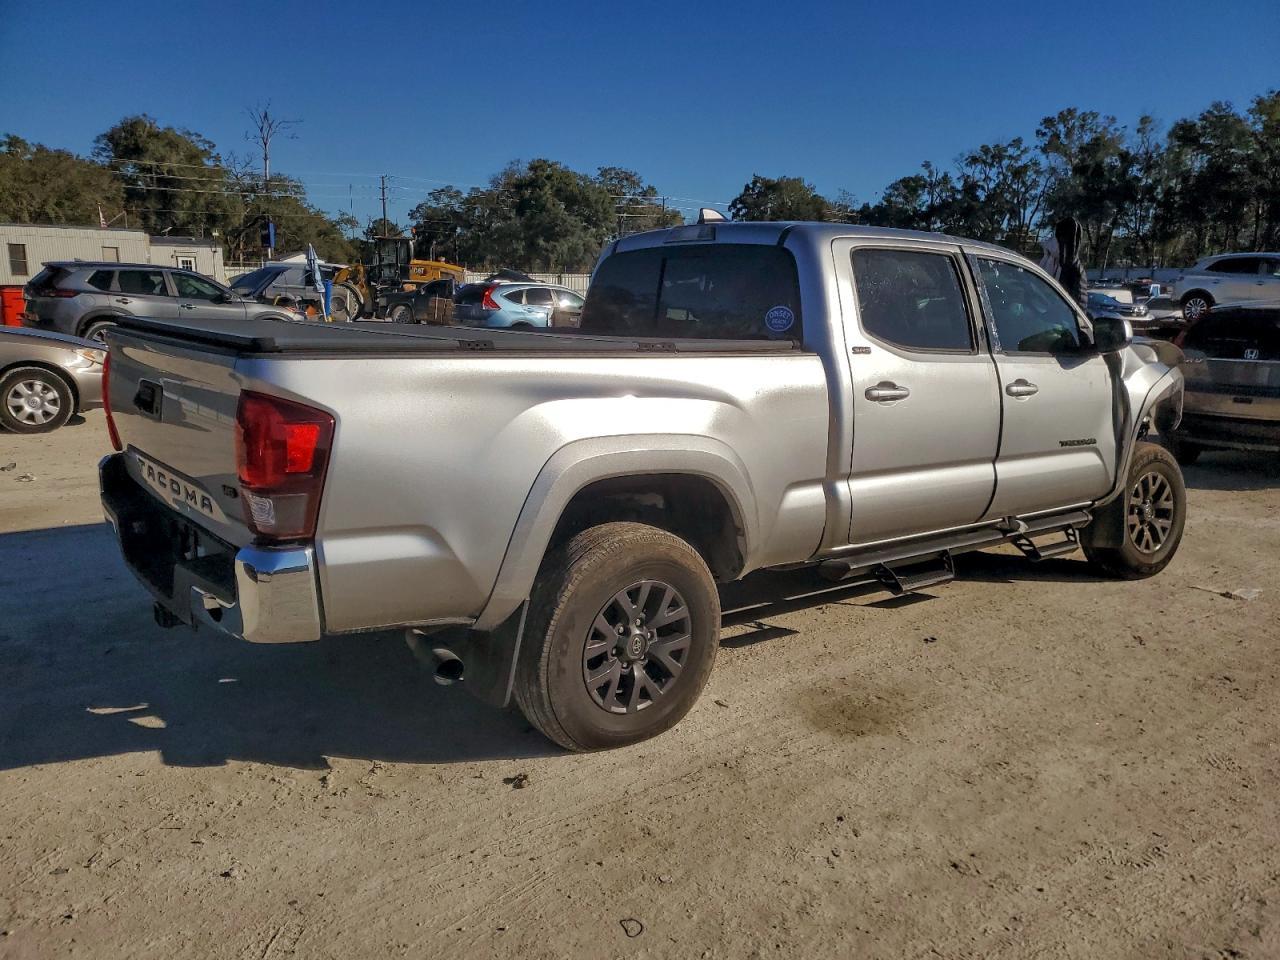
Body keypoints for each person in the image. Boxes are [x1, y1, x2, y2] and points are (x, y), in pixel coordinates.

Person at [1039, 216, 1089, 311]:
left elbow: (1078, 309)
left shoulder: (1075, 271)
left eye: (1063, 239)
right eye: (1057, 237)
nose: (1053, 241)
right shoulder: (1047, 260)